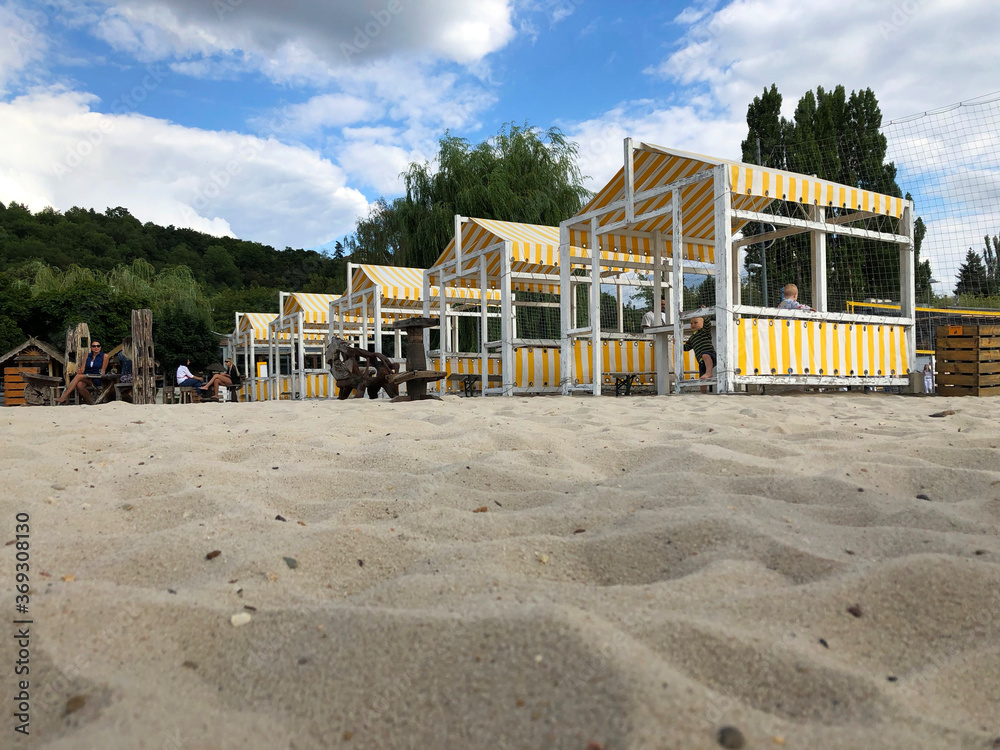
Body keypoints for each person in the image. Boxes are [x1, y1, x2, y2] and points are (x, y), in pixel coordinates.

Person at [56, 340, 108, 404]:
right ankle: (92, 402)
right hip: (87, 377)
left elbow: (103, 370)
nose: (96, 347)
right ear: (91, 348)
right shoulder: (87, 356)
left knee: (78, 377)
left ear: (100, 347)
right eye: (94, 346)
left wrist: (101, 375)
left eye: (98, 346)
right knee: (79, 385)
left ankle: (64, 396)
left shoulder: (104, 356)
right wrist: (80, 371)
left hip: (96, 377)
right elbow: (83, 369)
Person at [683, 316, 716, 393]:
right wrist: (677, 343)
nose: (693, 325)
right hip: (701, 362)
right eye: (691, 323)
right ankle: (703, 393)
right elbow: (686, 348)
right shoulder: (692, 338)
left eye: (695, 323)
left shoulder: (704, 331)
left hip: (711, 355)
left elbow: (707, 325)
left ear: (702, 324)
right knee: (702, 379)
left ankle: (709, 372)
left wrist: (705, 317)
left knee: (705, 355)